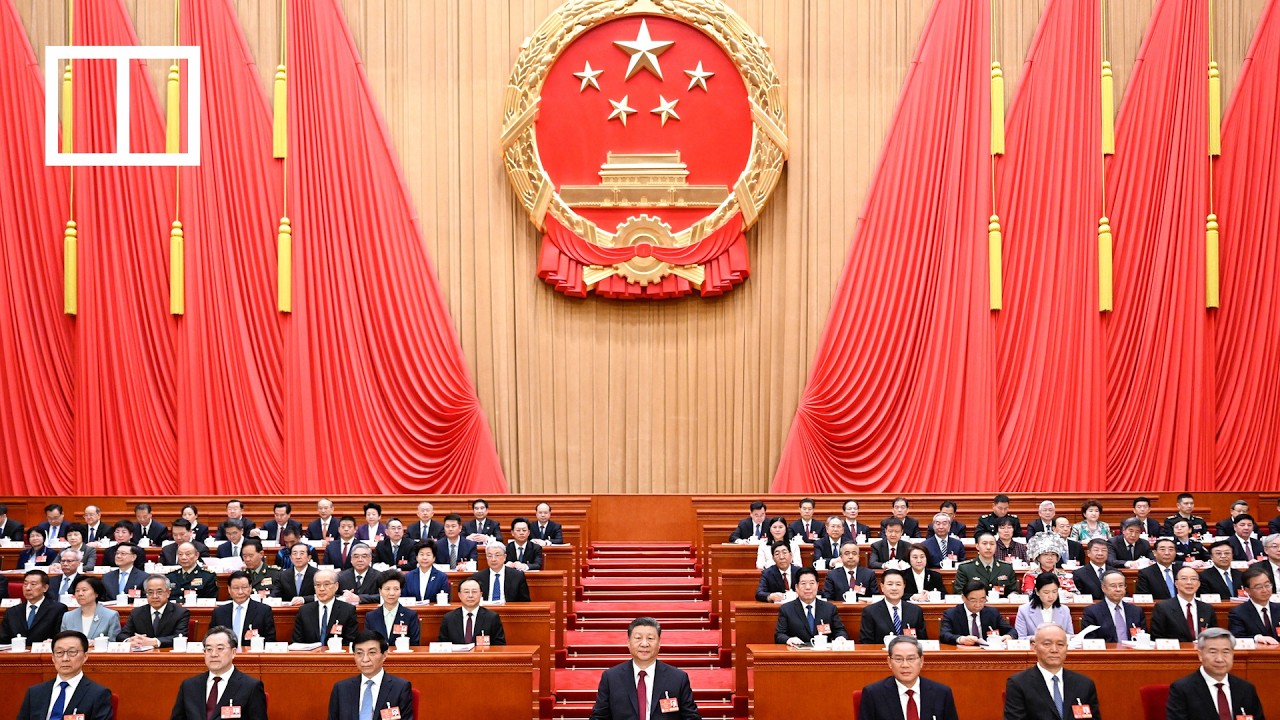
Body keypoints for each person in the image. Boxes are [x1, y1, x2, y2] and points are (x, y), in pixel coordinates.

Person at [589, 617, 700, 720]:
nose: (644, 644)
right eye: (638, 638)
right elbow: (599, 717)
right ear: (628, 642)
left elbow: (691, 717)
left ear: (659, 643)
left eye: (650, 638)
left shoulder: (678, 678)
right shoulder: (611, 678)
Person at [1166, 627, 1266, 720]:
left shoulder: (1246, 688)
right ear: (1200, 655)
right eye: (1213, 652)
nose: (1219, 659)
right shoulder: (1182, 689)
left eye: (1226, 652)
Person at [170, 625, 268, 720]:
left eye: (220, 649)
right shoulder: (188, 686)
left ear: (233, 652)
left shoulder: (251, 687)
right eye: (208, 649)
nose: (213, 654)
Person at [1003, 624, 1099, 720]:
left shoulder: (1084, 684)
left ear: (1067, 648)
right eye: (1047, 644)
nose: (1054, 650)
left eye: (1060, 644)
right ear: (1034, 647)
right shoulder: (1018, 684)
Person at [856, 635, 960, 720]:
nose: (905, 665)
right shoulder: (873, 694)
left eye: (911, 659)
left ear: (921, 661)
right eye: (898, 659)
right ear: (889, 662)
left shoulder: (942, 693)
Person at [15, 630, 113, 720]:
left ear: (85, 657)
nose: (65, 658)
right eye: (59, 652)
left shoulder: (98, 694)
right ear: (53, 658)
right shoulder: (35, 692)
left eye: (72, 652)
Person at [328, 630, 414, 720]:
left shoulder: (400, 688)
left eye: (372, 653)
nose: (365, 659)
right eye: (359, 653)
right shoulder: (341, 688)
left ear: (384, 655)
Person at [775, 568, 848, 645]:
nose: (808, 587)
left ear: (817, 585)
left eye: (812, 583)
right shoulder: (786, 609)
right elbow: (779, 635)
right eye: (803, 583)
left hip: (823, 653)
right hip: (798, 653)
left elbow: (840, 630)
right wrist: (789, 639)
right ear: (796, 587)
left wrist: (841, 637)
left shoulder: (829, 608)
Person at [117, 574, 190, 648]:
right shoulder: (136, 613)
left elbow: (180, 636)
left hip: (168, 655)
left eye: (159, 592)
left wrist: (154, 642)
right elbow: (122, 635)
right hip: (142, 655)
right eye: (150, 592)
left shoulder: (180, 612)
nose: (155, 596)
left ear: (168, 593)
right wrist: (129, 640)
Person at [1149, 566, 1217, 642]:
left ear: (1198, 584)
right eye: (1184, 578)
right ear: (1176, 583)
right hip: (1175, 652)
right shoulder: (1163, 608)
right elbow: (1157, 638)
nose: (1189, 582)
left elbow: (1214, 636)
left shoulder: (1207, 609)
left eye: (1193, 579)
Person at [859, 569, 928, 643]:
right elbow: (866, 643)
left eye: (898, 584)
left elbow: (922, 642)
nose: (894, 588)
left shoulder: (915, 611)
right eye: (890, 584)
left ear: (904, 586)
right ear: (882, 587)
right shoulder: (870, 612)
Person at [292, 569, 357, 645]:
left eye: (326, 584)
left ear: (336, 586)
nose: (321, 589)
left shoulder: (348, 610)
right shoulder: (304, 611)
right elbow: (297, 642)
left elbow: (350, 642)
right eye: (318, 585)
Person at [939, 580, 1015, 645]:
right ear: (963, 598)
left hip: (988, 654)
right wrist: (960, 639)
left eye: (982, 600)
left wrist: (1009, 636)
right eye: (973, 600)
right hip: (963, 654)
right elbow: (944, 634)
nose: (978, 604)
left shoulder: (992, 613)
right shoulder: (951, 614)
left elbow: (1012, 631)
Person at [211, 570, 277, 645]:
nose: (240, 592)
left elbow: (270, 640)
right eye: (236, 588)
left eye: (244, 587)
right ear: (229, 589)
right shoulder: (219, 613)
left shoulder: (263, 611)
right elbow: (212, 639)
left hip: (251, 655)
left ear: (250, 587)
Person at [1081, 570, 1146, 642]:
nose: (1118, 589)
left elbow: (1143, 637)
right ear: (1103, 588)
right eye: (1113, 586)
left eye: (1121, 585)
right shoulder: (1092, 612)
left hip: (1133, 651)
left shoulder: (1136, 611)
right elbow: (1090, 640)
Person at [0, 570, 64, 643]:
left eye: (33, 584)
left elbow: (60, 637)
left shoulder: (57, 609)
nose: (28, 588)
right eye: (25, 584)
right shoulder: (12, 612)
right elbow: (3, 640)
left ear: (45, 588)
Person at [438, 579, 505, 644]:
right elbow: (442, 645)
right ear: (459, 595)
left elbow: (499, 645)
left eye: (474, 591)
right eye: (466, 592)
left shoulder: (492, 618)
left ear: (481, 594)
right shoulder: (449, 618)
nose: (470, 595)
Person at [364, 571, 421, 645]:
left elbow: (414, 644)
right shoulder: (371, 617)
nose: (391, 593)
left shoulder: (410, 615)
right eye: (387, 589)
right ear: (380, 591)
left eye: (396, 589)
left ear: (400, 591)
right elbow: (368, 643)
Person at [952, 532, 1016, 595]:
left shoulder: (1007, 568)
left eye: (992, 544)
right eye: (984, 543)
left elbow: (1014, 591)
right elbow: (959, 592)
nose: (988, 547)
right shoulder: (965, 568)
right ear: (977, 546)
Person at [1227, 567, 1280, 644]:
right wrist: (1257, 638)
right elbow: (1236, 637)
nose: (1265, 590)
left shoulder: (1278, 609)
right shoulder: (1238, 613)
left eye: (1267, 585)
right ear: (1247, 591)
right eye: (1259, 587)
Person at [60, 576, 121, 640]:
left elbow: (113, 642)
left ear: (96, 593)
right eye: (77, 591)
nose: (80, 594)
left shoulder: (110, 616)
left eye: (84, 590)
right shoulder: (68, 616)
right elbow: (64, 641)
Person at [1014, 573, 1074, 638]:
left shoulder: (1065, 610)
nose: (1051, 596)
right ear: (1037, 591)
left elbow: (1070, 637)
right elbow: (1020, 639)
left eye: (1054, 592)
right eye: (1046, 592)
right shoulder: (1024, 610)